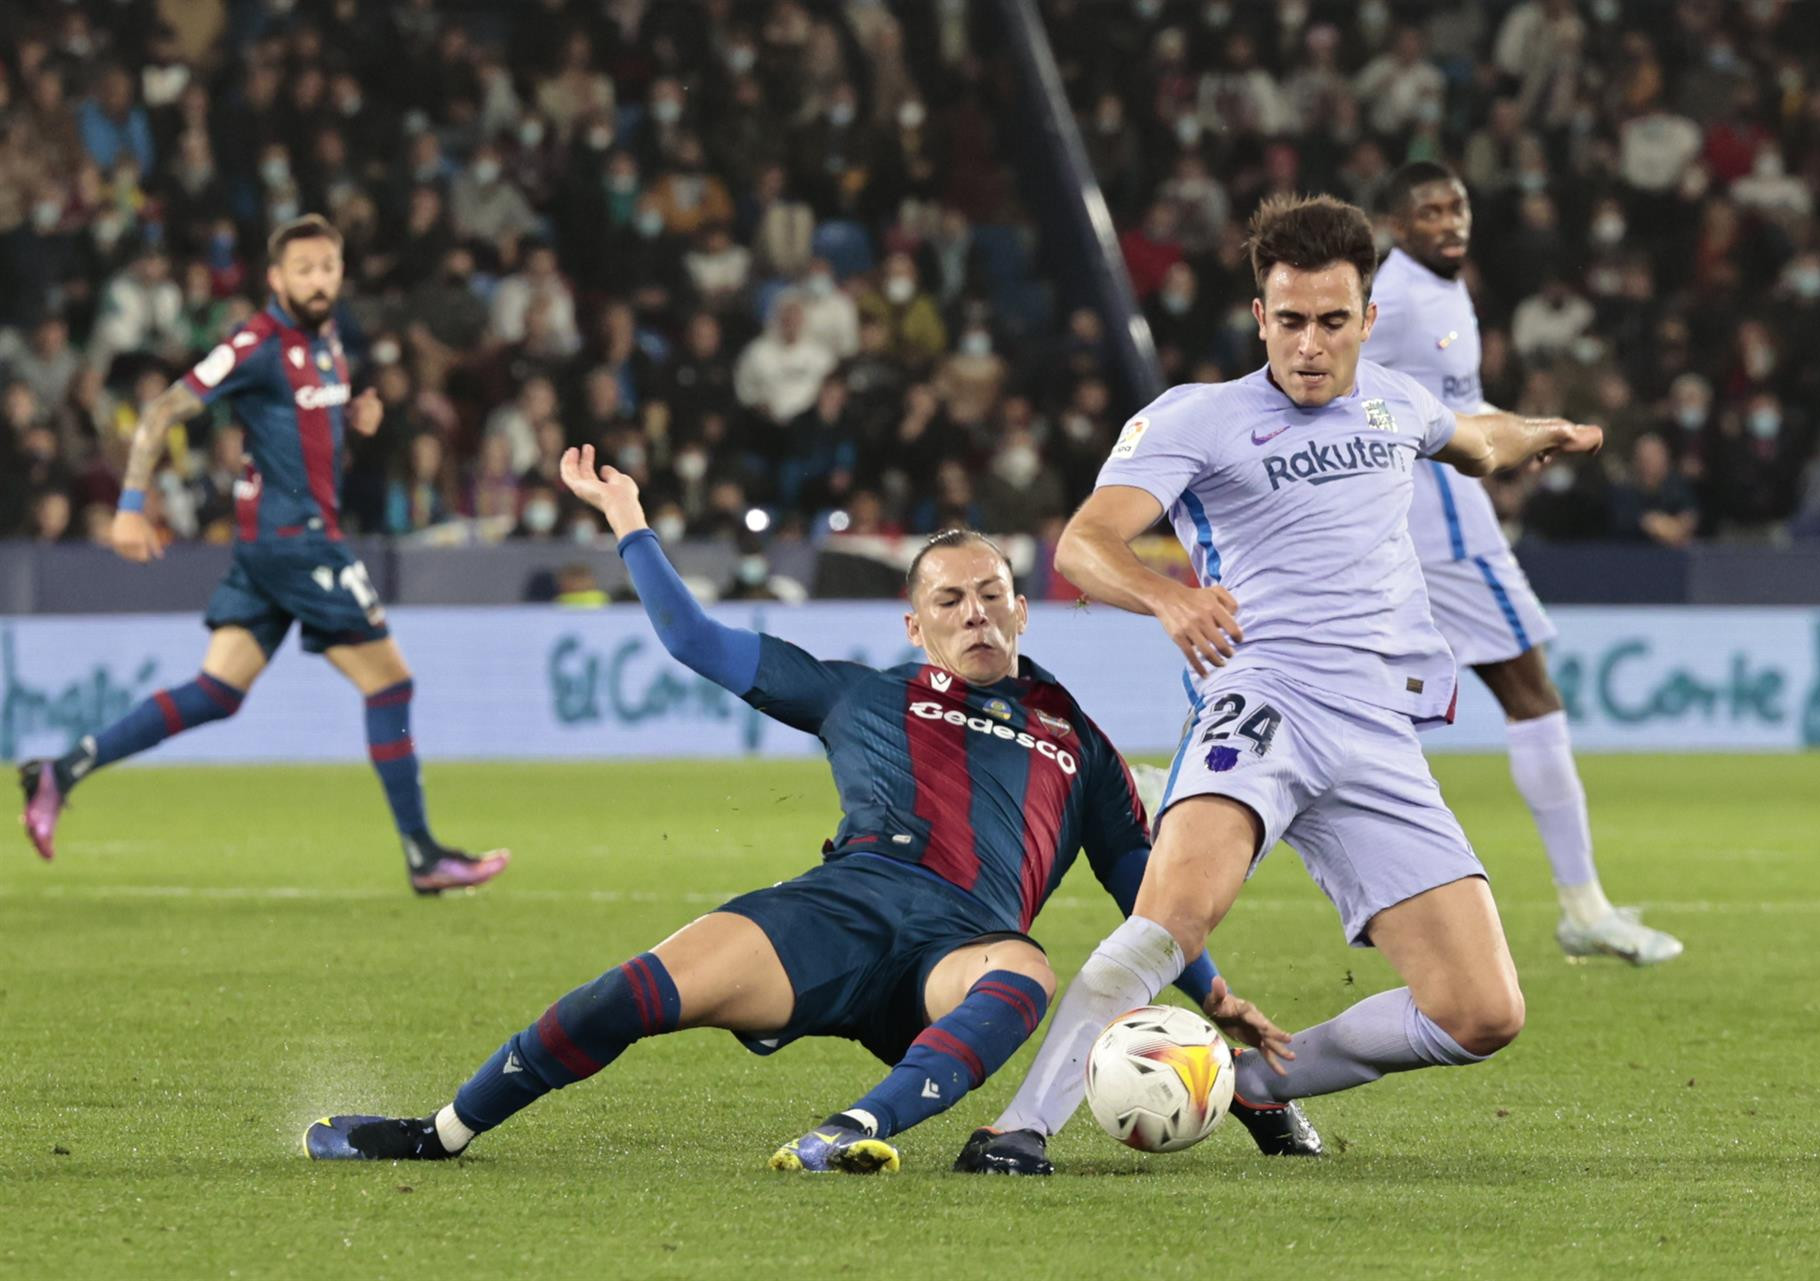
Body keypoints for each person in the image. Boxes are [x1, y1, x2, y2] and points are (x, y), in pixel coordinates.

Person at [303, 445, 1313, 1173]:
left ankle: (850, 1132)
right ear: (916, 624)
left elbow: (1144, 886)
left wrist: (1214, 991)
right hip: (836, 913)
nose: (976, 614)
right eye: (952, 601)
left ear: (1023, 606)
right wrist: (630, 525)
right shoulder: (857, 691)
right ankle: (439, 1133)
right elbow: (697, 641)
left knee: (1025, 975)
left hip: (957, 952)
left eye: (993, 594)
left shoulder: (1075, 736)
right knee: (631, 996)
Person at [959, 194, 1603, 1175]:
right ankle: (1021, 1128)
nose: (1309, 345)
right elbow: (1084, 544)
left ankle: (1261, 1081)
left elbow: (1475, 440)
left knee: (1481, 1011)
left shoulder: (1396, 402)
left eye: (1331, 322)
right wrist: (1167, 600)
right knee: (1176, 916)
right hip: (1262, 700)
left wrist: (1539, 430)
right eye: (1289, 320)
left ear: (1366, 322)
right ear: (1260, 317)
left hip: (1376, 728)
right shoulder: (1201, 417)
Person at [17, 215, 507, 896]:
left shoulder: (329, 341)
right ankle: (424, 853)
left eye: (328, 267)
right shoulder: (257, 341)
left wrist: (355, 420)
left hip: (271, 547)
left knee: (217, 692)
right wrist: (131, 505)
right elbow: (160, 410)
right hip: (298, 542)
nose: (317, 280)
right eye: (303, 269)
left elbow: (302, 431)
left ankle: (61, 770)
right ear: (275, 278)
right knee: (390, 684)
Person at [1369, 161, 1680, 964]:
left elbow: (1452, 404)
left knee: (1366, 702)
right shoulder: (1395, 296)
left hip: (1413, 520)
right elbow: (1358, 388)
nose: (1450, 221)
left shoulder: (1441, 287)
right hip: (1442, 522)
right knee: (1532, 694)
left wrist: (1525, 431)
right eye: (1431, 212)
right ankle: (1583, 905)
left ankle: (1368, 887)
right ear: (1399, 228)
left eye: (1458, 206)